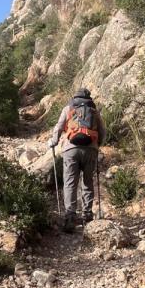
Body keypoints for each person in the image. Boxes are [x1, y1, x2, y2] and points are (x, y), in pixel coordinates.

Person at [48, 88, 106, 232]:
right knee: (87, 181)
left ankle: (70, 216)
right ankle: (87, 214)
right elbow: (102, 131)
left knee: (70, 183)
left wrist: (53, 142)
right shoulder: (94, 111)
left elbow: (59, 127)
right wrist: (97, 145)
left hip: (71, 149)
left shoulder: (68, 108)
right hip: (90, 149)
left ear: (75, 97)